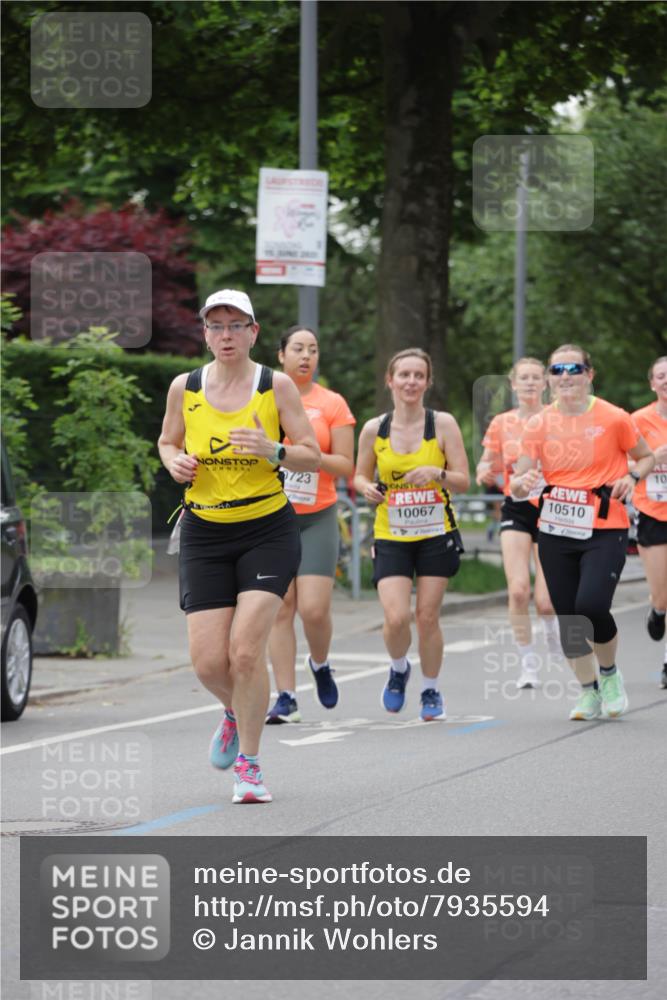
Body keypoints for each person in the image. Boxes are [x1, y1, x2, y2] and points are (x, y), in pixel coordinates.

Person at [158, 290, 319, 803]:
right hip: (204, 531)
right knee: (209, 663)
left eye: (235, 326)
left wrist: (273, 450)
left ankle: (249, 766)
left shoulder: (275, 386)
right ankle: (236, 710)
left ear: (253, 333)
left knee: (245, 653)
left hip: (266, 530)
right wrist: (173, 462)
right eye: (216, 326)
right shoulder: (185, 387)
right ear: (205, 334)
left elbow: (312, 455)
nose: (225, 335)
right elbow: (167, 440)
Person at [510, 344, 655, 721]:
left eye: (573, 369)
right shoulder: (539, 423)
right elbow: (520, 478)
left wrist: (631, 476)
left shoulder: (614, 417)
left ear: (589, 374)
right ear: (548, 380)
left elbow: (646, 456)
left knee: (591, 606)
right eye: (557, 370)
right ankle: (588, 691)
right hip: (556, 527)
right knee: (569, 620)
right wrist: (520, 483)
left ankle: (609, 674)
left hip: (604, 526)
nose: (565, 376)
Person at [354, 348, 469, 721]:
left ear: (427, 382)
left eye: (419, 375)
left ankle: (431, 689)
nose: (411, 382)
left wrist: (438, 474)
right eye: (404, 375)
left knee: (427, 616)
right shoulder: (374, 429)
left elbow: (464, 481)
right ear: (390, 380)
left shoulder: (443, 425)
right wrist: (366, 488)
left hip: (436, 532)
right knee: (396, 617)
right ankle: (399, 667)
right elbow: (359, 475)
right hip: (391, 533)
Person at [266, 326, 356, 722]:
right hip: (271, 516)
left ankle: (319, 663)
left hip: (318, 516)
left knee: (314, 610)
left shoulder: (331, 403)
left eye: (313, 350)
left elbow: (346, 465)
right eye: (298, 349)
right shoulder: (262, 397)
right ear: (281, 355)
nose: (306, 356)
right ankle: (286, 697)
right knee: (280, 608)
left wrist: (302, 457)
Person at [476, 357, 560, 689]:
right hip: (516, 507)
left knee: (546, 602)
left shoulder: (557, 419)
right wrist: (484, 470)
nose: (529, 383)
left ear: (545, 383)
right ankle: (528, 664)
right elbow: (487, 462)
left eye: (536, 377)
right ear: (513, 384)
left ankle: (552, 632)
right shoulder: (502, 423)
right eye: (523, 378)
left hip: (553, 509)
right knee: (518, 590)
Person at [632, 356, 667, 688]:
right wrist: (654, 458)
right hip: (653, 512)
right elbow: (623, 466)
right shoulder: (638, 421)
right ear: (652, 383)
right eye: (661, 375)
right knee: (662, 596)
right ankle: (657, 611)